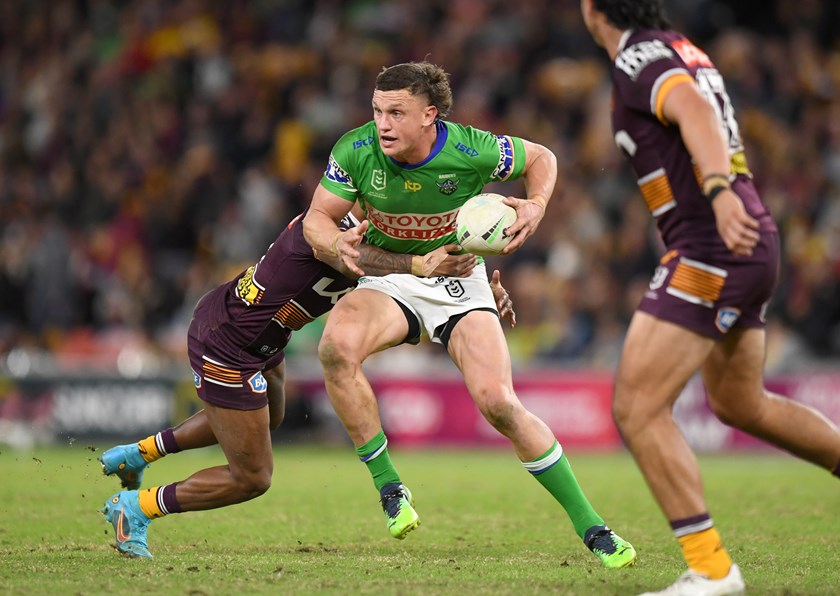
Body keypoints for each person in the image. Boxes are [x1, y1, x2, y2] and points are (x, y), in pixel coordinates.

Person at [302, 61, 637, 569]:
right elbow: (316, 219)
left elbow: (542, 157)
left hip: (458, 280)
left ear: (429, 115)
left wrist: (536, 205)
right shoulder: (356, 149)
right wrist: (335, 244)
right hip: (391, 274)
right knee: (335, 349)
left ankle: (593, 527)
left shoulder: (470, 148)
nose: (383, 124)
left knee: (499, 403)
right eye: (377, 111)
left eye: (396, 113)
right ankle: (390, 487)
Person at [579, 1, 840, 594]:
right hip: (747, 240)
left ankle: (713, 569)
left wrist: (718, 190)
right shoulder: (680, 46)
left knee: (638, 407)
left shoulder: (639, 57)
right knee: (741, 403)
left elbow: (694, 109)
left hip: (711, 247)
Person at [98, 208, 517, 558]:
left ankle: (138, 454)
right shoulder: (336, 232)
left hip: (258, 335)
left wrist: (476, 297)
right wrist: (435, 276)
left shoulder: (365, 224)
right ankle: (136, 508)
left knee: (267, 419)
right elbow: (380, 266)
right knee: (252, 477)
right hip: (228, 345)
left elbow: (406, 272)